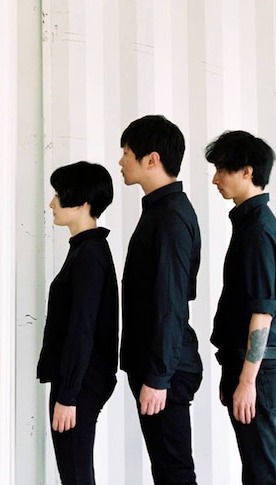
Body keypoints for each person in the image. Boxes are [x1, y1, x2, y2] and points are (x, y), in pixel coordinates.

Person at [118, 115, 204, 485]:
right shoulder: (160, 211)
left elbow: (171, 302)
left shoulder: (169, 217)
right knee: (168, 471)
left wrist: (157, 376)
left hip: (164, 367)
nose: (121, 161)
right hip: (161, 363)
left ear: (151, 159)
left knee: (174, 473)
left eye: (126, 153)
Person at [205, 130, 276, 484]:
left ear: (248, 172)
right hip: (249, 368)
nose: (215, 179)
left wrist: (247, 380)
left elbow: (262, 311)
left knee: (260, 476)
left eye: (223, 169)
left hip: (257, 372)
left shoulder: (257, 230)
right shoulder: (249, 224)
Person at [37, 161, 119, 485]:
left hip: (80, 383)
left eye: (59, 194)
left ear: (83, 202)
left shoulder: (90, 255)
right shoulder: (85, 250)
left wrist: (68, 395)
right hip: (77, 380)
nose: (52, 203)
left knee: (76, 474)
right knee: (73, 473)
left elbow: (82, 328)